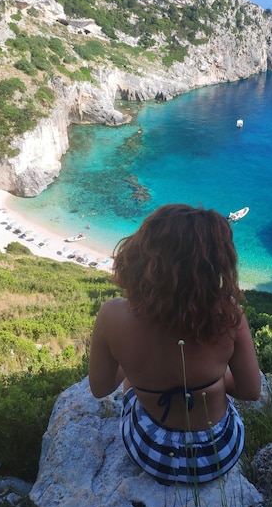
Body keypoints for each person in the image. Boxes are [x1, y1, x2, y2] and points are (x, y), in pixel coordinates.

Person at [89, 203, 261, 484]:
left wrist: (134, 367)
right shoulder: (230, 317)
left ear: (142, 255)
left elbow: (100, 388)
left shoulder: (112, 314)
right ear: (216, 265)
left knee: (130, 384)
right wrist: (209, 380)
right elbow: (251, 390)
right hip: (218, 453)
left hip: (151, 451)